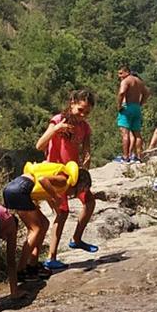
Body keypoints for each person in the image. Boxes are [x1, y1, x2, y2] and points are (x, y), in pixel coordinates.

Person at [35, 89, 97, 271]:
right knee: (62, 212)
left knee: (90, 201)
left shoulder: (84, 127)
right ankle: (51, 257)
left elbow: (86, 147)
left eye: (87, 112)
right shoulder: (58, 120)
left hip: (73, 174)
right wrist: (56, 129)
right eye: (80, 110)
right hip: (55, 173)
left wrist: (86, 157)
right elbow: (39, 145)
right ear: (72, 103)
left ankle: (76, 239)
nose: (83, 115)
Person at [3, 163, 77, 280]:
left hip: (13, 187)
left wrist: (54, 203)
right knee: (35, 229)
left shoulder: (59, 179)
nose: (72, 195)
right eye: (75, 193)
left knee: (44, 223)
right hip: (21, 189)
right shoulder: (64, 179)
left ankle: (33, 264)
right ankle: (20, 270)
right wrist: (56, 197)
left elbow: (43, 189)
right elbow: (43, 180)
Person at [115, 64, 150, 163]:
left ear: (127, 72)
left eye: (121, 73)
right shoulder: (139, 81)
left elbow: (121, 93)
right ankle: (138, 157)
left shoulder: (125, 81)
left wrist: (119, 106)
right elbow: (147, 93)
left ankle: (125, 157)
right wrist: (140, 103)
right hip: (136, 108)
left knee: (125, 133)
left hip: (127, 107)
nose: (120, 76)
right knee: (137, 133)